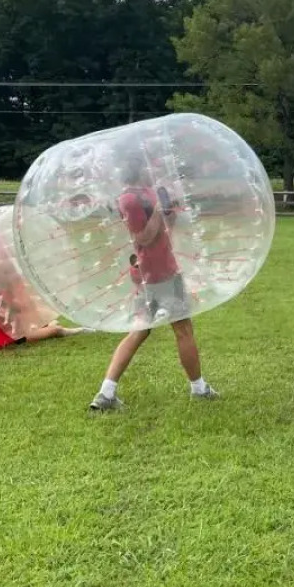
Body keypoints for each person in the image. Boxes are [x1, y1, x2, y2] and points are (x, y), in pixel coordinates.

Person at [89, 161, 215, 411]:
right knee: (183, 330)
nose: (153, 167)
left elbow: (165, 231)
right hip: (160, 273)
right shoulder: (129, 199)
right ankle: (199, 389)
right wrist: (158, 211)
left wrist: (170, 213)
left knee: (140, 330)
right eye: (148, 164)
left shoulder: (146, 192)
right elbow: (143, 238)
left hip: (154, 271)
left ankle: (106, 394)